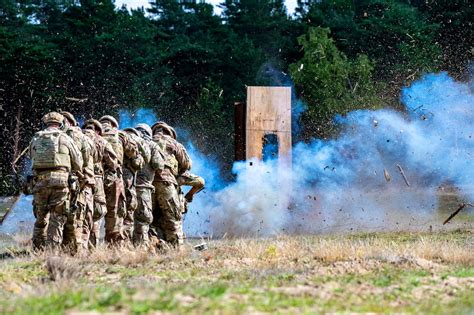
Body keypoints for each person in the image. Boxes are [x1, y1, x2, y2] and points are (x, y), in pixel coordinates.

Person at [29, 112, 83, 250]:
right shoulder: (65, 138)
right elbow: (78, 162)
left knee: (40, 219)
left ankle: (37, 251)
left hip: (39, 182)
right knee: (57, 219)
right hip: (60, 182)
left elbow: (32, 158)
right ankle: (52, 253)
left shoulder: (36, 138)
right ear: (61, 124)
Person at [98, 115, 139, 244]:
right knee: (115, 215)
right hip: (114, 178)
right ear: (114, 125)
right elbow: (133, 153)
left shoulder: (92, 134)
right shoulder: (120, 135)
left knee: (94, 215)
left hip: (96, 178)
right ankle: (113, 249)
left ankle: (89, 248)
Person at [150, 121, 191, 248]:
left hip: (147, 186)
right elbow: (186, 164)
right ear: (170, 133)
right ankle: (176, 252)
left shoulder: (147, 141)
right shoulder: (174, 143)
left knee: (148, 220)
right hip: (166, 183)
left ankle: (151, 247)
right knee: (173, 219)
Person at [60, 111, 94, 253]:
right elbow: (86, 159)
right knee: (76, 217)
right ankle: (74, 251)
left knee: (56, 216)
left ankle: (54, 250)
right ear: (73, 122)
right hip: (76, 182)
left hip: (58, 181)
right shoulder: (79, 135)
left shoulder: (51, 135)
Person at [82, 119, 118, 248]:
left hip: (77, 179)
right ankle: (92, 247)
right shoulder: (100, 140)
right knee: (97, 213)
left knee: (80, 213)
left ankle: (78, 246)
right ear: (98, 130)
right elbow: (113, 163)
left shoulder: (76, 137)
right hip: (95, 180)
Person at [132, 123, 165, 247]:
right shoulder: (151, 145)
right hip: (143, 188)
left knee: (127, 220)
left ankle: (124, 248)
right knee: (143, 220)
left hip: (127, 187)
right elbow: (158, 166)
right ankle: (141, 249)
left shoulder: (130, 142)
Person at [122, 127, 145, 241]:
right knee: (128, 216)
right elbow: (137, 163)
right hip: (127, 184)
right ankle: (125, 245)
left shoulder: (117, 138)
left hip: (109, 182)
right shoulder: (135, 143)